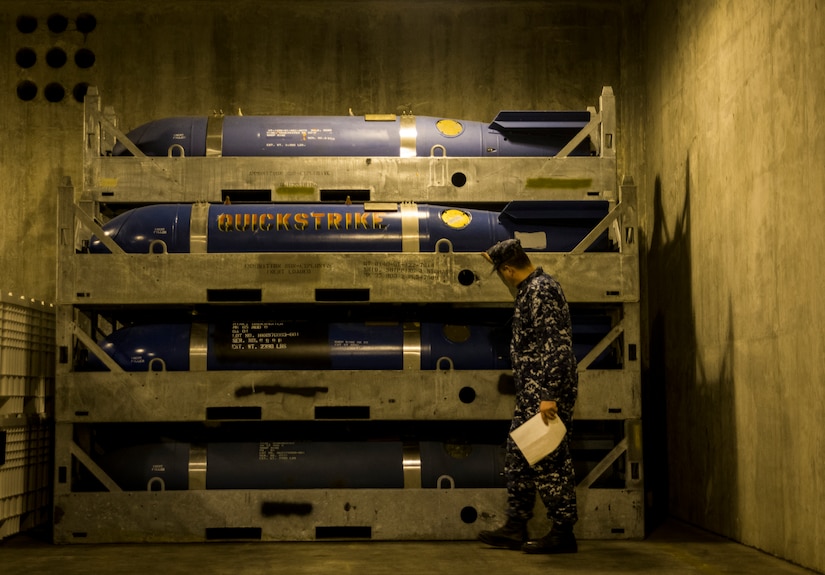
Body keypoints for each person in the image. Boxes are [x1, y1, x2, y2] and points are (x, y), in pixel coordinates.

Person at [478, 238, 579, 554]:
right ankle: (515, 526)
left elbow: (556, 345)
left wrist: (549, 394)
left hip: (544, 395)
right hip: (532, 392)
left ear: (508, 269)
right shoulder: (531, 289)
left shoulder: (540, 291)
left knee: (549, 461)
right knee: (518, 457)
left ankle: (563, 532)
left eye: (500, 271)